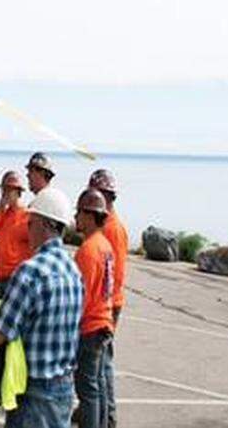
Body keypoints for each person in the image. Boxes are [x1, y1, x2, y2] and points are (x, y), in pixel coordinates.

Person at [0, 187, 82, 428]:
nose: (26, 228)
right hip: (64, 387)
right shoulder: (73, 271)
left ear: (43, 224)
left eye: (30, 223)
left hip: (33, 390)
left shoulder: (30, 272)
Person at [87, 168, 128, 428]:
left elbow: (115, 273)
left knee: (100, 368)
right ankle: (102, 417)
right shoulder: (109, 226)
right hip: (108, 303)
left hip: (108, 305)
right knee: (100, 367)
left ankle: (107, 418)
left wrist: (101, 308)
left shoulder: (113, 229)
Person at [72, 189, 115, 428]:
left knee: (87, 389)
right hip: (103, 322)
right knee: (96, 387)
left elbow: (82, 296)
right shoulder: (105, 245)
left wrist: (72, 329)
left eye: (79, 213)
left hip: (91, 326)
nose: (76, 218)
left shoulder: (88, 250)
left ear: (89, 215)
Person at [0, 170, 31, 299]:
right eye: (4, 190)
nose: (6, 194)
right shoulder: (3, 214)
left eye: (10, 190)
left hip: (15, 277)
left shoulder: (27, 216)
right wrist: (0, 208)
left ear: (18, 192)